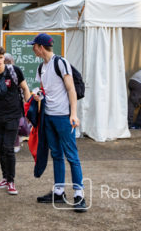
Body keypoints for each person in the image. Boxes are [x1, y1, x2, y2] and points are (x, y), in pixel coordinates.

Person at [31, 33, 87, 212]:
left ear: (40, 47)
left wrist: (74, 114)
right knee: (56, 154)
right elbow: (44, 91)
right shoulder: (41, 67)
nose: (33, 48)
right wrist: (38, 95)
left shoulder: (60, 62)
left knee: (72, 156)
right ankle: (59, 191)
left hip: (63, 116)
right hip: (48, 116)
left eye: (34, 46)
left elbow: (71, 89)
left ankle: (79, 195)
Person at [0, 45, 31, 195]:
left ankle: (11, 181)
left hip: (14, 115)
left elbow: (25, 88)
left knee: (9, 148)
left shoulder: (14, 71)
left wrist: (28, 110)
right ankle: (4, 177)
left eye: (1, 58)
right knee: (1, 148)